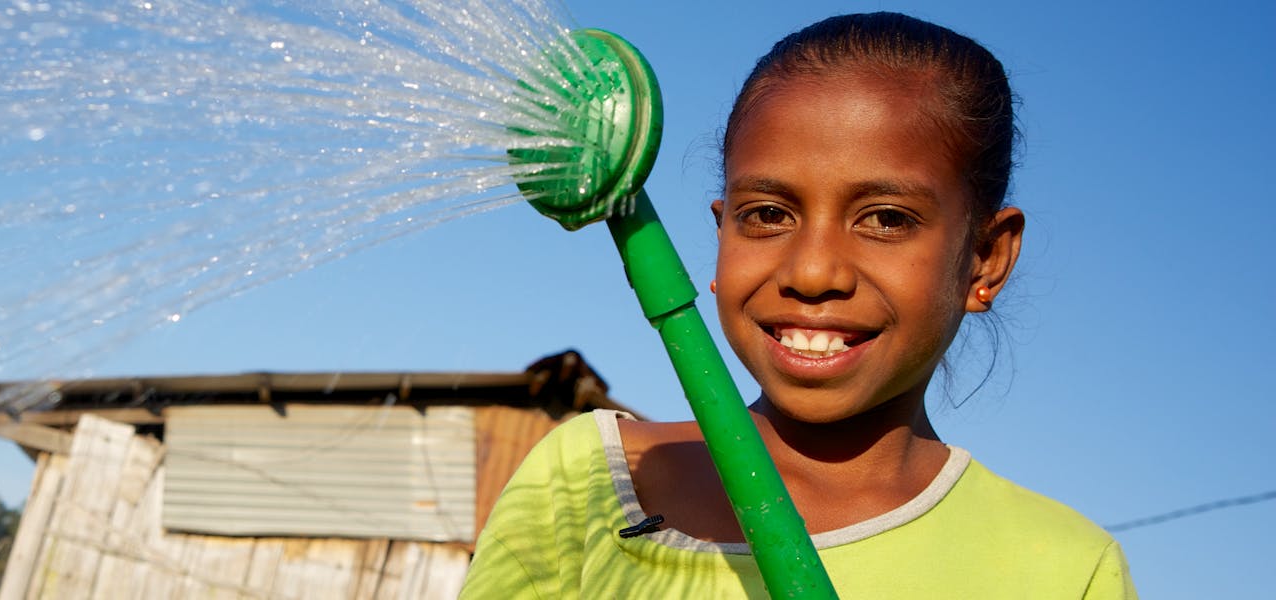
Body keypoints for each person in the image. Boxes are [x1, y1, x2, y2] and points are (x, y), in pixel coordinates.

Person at [461, 12, 1136, 598]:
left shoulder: (1063, 571)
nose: (813, 271)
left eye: (887, 220)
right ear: (721, 234)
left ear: (985, 259)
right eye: (768, 214)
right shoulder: (587, 479)